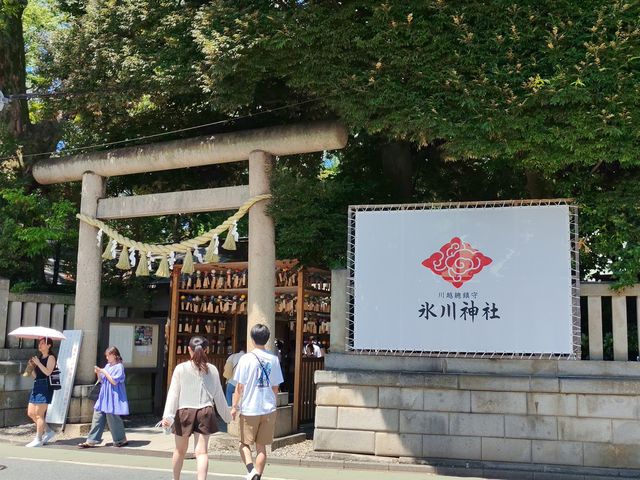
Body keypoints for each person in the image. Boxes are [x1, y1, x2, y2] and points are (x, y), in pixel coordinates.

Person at [162, 336, 231, 480]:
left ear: (189, 350)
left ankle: (176, 479)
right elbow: (219, 395)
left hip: (184, 411)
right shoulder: (212, 369)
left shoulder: (181, 368)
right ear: (206, 350)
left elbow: (173, 394)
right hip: (205, 411)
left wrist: (168, 416)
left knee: (179, 451)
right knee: (202, 453)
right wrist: (228, 416)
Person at [231, 324, 284, 480]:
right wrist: (272, 403)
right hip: (268, 408)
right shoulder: (274, 360)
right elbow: (276, 386)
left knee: (244, 444)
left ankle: (251, 470)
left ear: (252, 338)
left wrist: (234, 406)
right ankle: (257, 476)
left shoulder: (245, 359)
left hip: (249, 408)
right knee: (261, 447)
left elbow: (239, 387)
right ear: (267, 339)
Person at [78, 346, 129, 448]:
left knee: (112, 417)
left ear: (114, 355)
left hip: (113, 395)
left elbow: (114, 381)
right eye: (106, 356)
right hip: (104, 395)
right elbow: (101, 381)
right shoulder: (107, 366)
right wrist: (98, 373)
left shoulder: (119, 367)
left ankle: (120, 439)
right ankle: (91, 440)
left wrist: (104, 372)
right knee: (97, 416)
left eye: (108, 356)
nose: (107, 358)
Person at [25, 337, 58, 447]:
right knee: (31, 412)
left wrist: (38, 363)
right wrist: (31, 367)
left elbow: (48, 372)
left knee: (39, 414)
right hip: (37, 385)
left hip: (45, 387)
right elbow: (36, 376)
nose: (40, 345)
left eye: (43, 343)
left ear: (49, 345)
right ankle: (48, 431)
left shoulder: (51, 357)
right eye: (40, 343)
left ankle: (38, 439)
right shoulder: (39, 358)